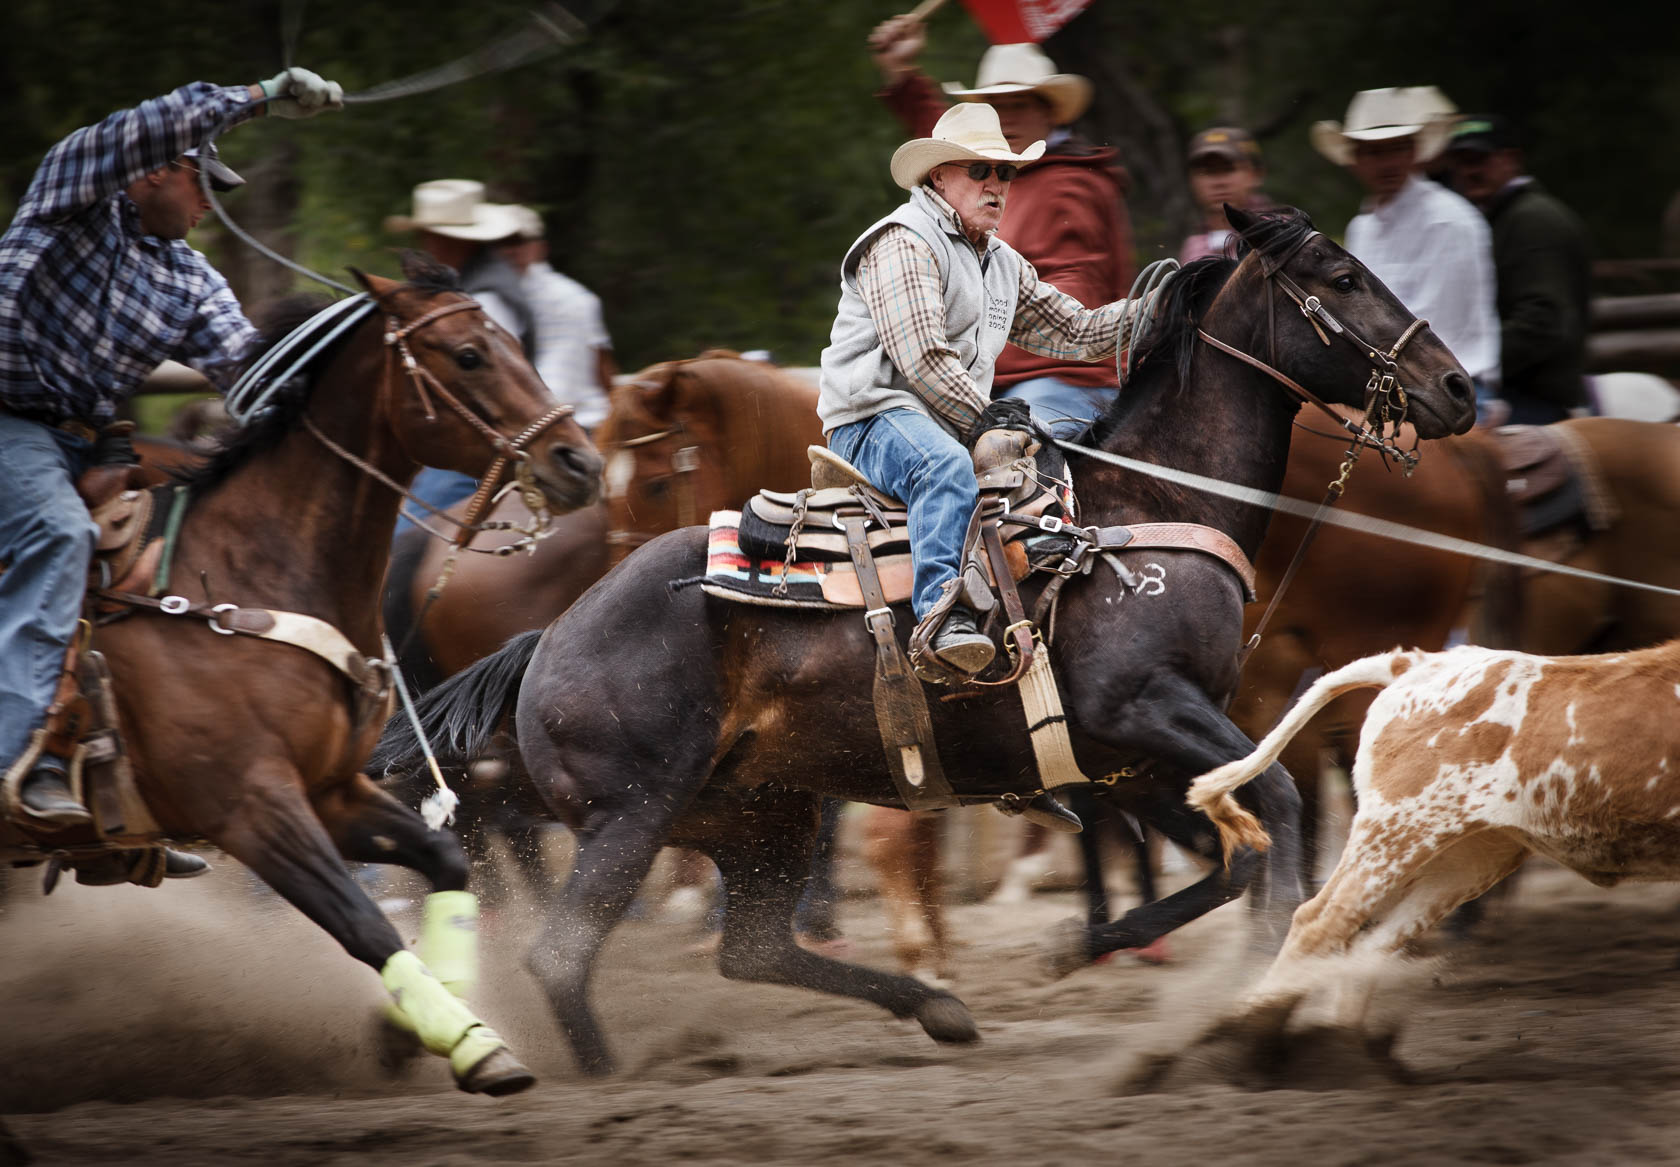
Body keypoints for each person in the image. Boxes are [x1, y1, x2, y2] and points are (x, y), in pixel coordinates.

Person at [0, 68, 343, 877]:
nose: (209, 203)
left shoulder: (189, 278)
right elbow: (145, 122)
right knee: (56, 533)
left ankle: (117, 792)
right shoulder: (71, 200)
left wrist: (348, 361)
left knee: (169, 566)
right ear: (155, 168)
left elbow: (255, 376)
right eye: (202, 182)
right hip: (8, 422)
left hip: (91, 444)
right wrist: (261, 96)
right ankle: (16, 758)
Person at [819, 102, 1131, 681]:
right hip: (873, 416)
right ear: (938, 176)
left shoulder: (1002, 263)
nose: (996, 185)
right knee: (942, 467)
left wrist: (1163, 310)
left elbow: (1075, 331)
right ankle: (942, 620)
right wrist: (991, 418)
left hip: (945, 420)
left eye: (1005, 173)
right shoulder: (901, 240)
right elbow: (922, 358)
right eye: (979, 171)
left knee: (1051, 469)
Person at [868, 20, 1134, 438]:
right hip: (1000, 378)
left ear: (1047, 112)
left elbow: (1071, 298)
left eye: (1020, 105)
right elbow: (949, 149)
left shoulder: (1073, 186)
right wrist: (904, 77)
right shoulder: (985, 179)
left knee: (1011, 462)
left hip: (1064, 377)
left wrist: (974, 337)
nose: (1006, 118)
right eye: (996, 107)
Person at [1313, 87, 1501, 406]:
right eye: (1373, 152)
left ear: (1414, 153)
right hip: (1394, 390)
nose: (1387, 162)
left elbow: (1435, 327)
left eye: (1396, 148)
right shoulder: (1363, 227)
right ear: (1355, 160)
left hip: (1452, 391)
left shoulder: (1449, 221)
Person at [384, 180, 538, 534]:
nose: (427, 244)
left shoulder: (484, 299)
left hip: (490, 439)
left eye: (431, 235)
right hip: (492, 430)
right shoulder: (476, 288)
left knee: (405, 536)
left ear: (452, 240)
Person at [1443, 115, 1591, 425]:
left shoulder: (1533, 220)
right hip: (1510, 391)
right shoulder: (1494, 219)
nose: (1469, 171)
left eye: (1479, 159)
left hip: (1535, 400)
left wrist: (1464, 365)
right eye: (1460, 162)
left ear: (1511, 160)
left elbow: (1543, 321)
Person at [502, 208, 616, 430]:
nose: (510, 251)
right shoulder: (579, 296)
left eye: (518, 242)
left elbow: (598, 367)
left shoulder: (573, 298)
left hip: (562, 426)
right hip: (571, 422)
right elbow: (603, 366)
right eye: (502, 243)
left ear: (540, 248)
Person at [1179, 126, 1271, 263]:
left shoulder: (1281, 235)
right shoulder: (1192, 247)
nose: (1218, 182)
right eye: (1206, 172)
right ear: (1192, 181)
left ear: (1255, 174)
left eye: (1228, 169)